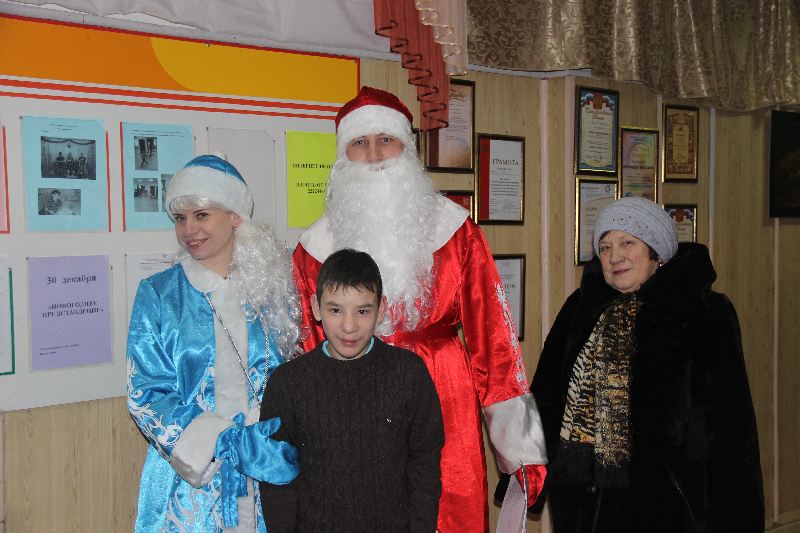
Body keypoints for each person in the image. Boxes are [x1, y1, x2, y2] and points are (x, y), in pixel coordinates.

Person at [292, 86, 547, 532]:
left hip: (443, 394)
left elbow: (495, 340)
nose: (374, 155)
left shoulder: (456, 231)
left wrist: (521, 450)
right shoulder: (314, 247)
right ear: (343, 156)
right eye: (360, 142)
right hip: (354, 404)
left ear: (407, 148)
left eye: (386, 140)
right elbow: (309, 352)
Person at [528, 197, 764, 532]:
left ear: (657, 252)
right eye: (605, 247)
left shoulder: (704, 313)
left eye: (628, 243)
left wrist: (734, 516)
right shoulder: (581, 308)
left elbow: (732, 426)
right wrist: (528, 475)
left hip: (667, 503)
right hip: (583, 501)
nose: (615, 256)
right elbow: (546, 398)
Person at [127, 154, 301, 532]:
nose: (189, 229)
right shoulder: (159, 295)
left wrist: (268, 429)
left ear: (235, 216)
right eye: (180, 218)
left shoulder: (276, 289)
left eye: (202, 215)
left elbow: (298, 374)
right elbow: (146, 391)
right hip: (188, 481)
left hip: (267, 467)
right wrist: (215, 439)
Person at [260, 248, 445, 532]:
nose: (349, 326)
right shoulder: (287, 383)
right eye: (335, 310)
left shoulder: (408, 374)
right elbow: (276, 478)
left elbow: (424, 466)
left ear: (381, 309)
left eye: (362, 311)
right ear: (316, 307)